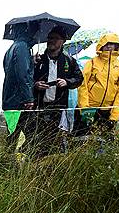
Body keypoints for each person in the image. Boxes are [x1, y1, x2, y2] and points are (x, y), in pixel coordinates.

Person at [31, 26, 83, 154]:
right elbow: (27, 80)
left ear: (63, 41)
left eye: (55, 38)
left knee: (55, 142)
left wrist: (67, 82)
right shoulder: (38, 60)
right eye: (49, 38)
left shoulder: (69, 61)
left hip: (59, 109)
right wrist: (35, 85)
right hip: (39, 108)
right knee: (37, 141)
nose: (51, 41)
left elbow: (79, 79)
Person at [77, 33, 119, 137]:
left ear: (116, 46)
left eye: (112, 43)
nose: (109, 46)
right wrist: (85, 110)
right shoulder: (92, 62)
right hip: (89, 108)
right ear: (101, 44)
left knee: (105, 143)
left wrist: (114, 116)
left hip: (107, 111)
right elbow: (83, 85)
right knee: (82, 141)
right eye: (106, 43)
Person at [2, 27, 35, 146]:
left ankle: (6, 160)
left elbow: (11, 71)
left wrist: (31, 62)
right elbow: (22, 74)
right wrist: (28, 98)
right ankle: (26, 162)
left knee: (12, 137)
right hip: (19, 101)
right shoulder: (22, 47)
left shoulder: (11, 48)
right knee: (31, 137)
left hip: (10, 99)